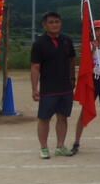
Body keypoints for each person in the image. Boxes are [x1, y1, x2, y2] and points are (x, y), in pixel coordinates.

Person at [30, 11, 76, 159]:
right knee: (44, 118)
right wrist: (34, 88)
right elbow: (35, 67)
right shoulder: (39, 44)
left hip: (65, 87)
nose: (54, 25)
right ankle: (44, 148)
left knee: (63, 117)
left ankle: (60, 146)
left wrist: (73, 78)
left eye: (57, 22)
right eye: (51, 22)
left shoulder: (67, 41)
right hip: (48, 89)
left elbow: (72, 60)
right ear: (44, 25)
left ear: (60, 23)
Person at [73, 19, 100, 155]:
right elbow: (85, 64)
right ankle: (76, 142)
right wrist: (93, 50)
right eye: (97, 30)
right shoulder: (88, 45)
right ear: (93, 32)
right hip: (91, 79)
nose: (99, 33)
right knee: (84, 110)